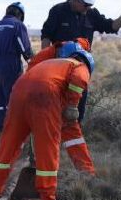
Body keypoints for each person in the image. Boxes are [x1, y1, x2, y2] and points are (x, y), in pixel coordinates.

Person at [0, 48, 95, 200]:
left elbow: (72, 133)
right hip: (44, 94)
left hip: (18, 92)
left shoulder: (50, 65)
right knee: (47, 146)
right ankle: (47, 198)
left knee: (9, 144)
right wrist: (73, 104)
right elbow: (79, 79)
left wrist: (87, 171)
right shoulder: (79, 66)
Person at [40, 0, 121, 121]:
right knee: (56, 112)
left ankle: (73, 138)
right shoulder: (58, 11)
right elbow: (46, 36)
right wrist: (45, 65)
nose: (88, 8)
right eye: (86, 5)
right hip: (59, 73)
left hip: (80, 74)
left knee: (76, 114)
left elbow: (111, 26)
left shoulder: (92, 14)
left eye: (90, 5)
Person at [28, 38, 95, 174]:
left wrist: (71, 105)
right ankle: (38, 165)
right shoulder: (44, 58)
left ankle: (86, 172)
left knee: (69, 127)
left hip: (57, 89)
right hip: (40, 91)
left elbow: (76, 82)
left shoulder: (74, 56)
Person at [0, 2, 33, 133]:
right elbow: (25, 49)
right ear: (20, 15)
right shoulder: (17, 25)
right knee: (13, 98)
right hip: (11, 65)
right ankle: (13, 131)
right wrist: (33, 63)